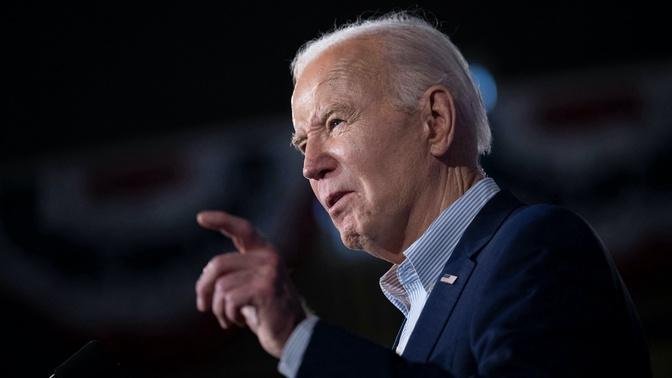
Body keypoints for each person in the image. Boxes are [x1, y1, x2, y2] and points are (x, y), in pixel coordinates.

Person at [194, 12, 652, 377]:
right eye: (301, 145)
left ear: (434, 121)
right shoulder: (422, 308)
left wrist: (299, 337)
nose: (310, 166)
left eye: (334, 123)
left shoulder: (536, 246)